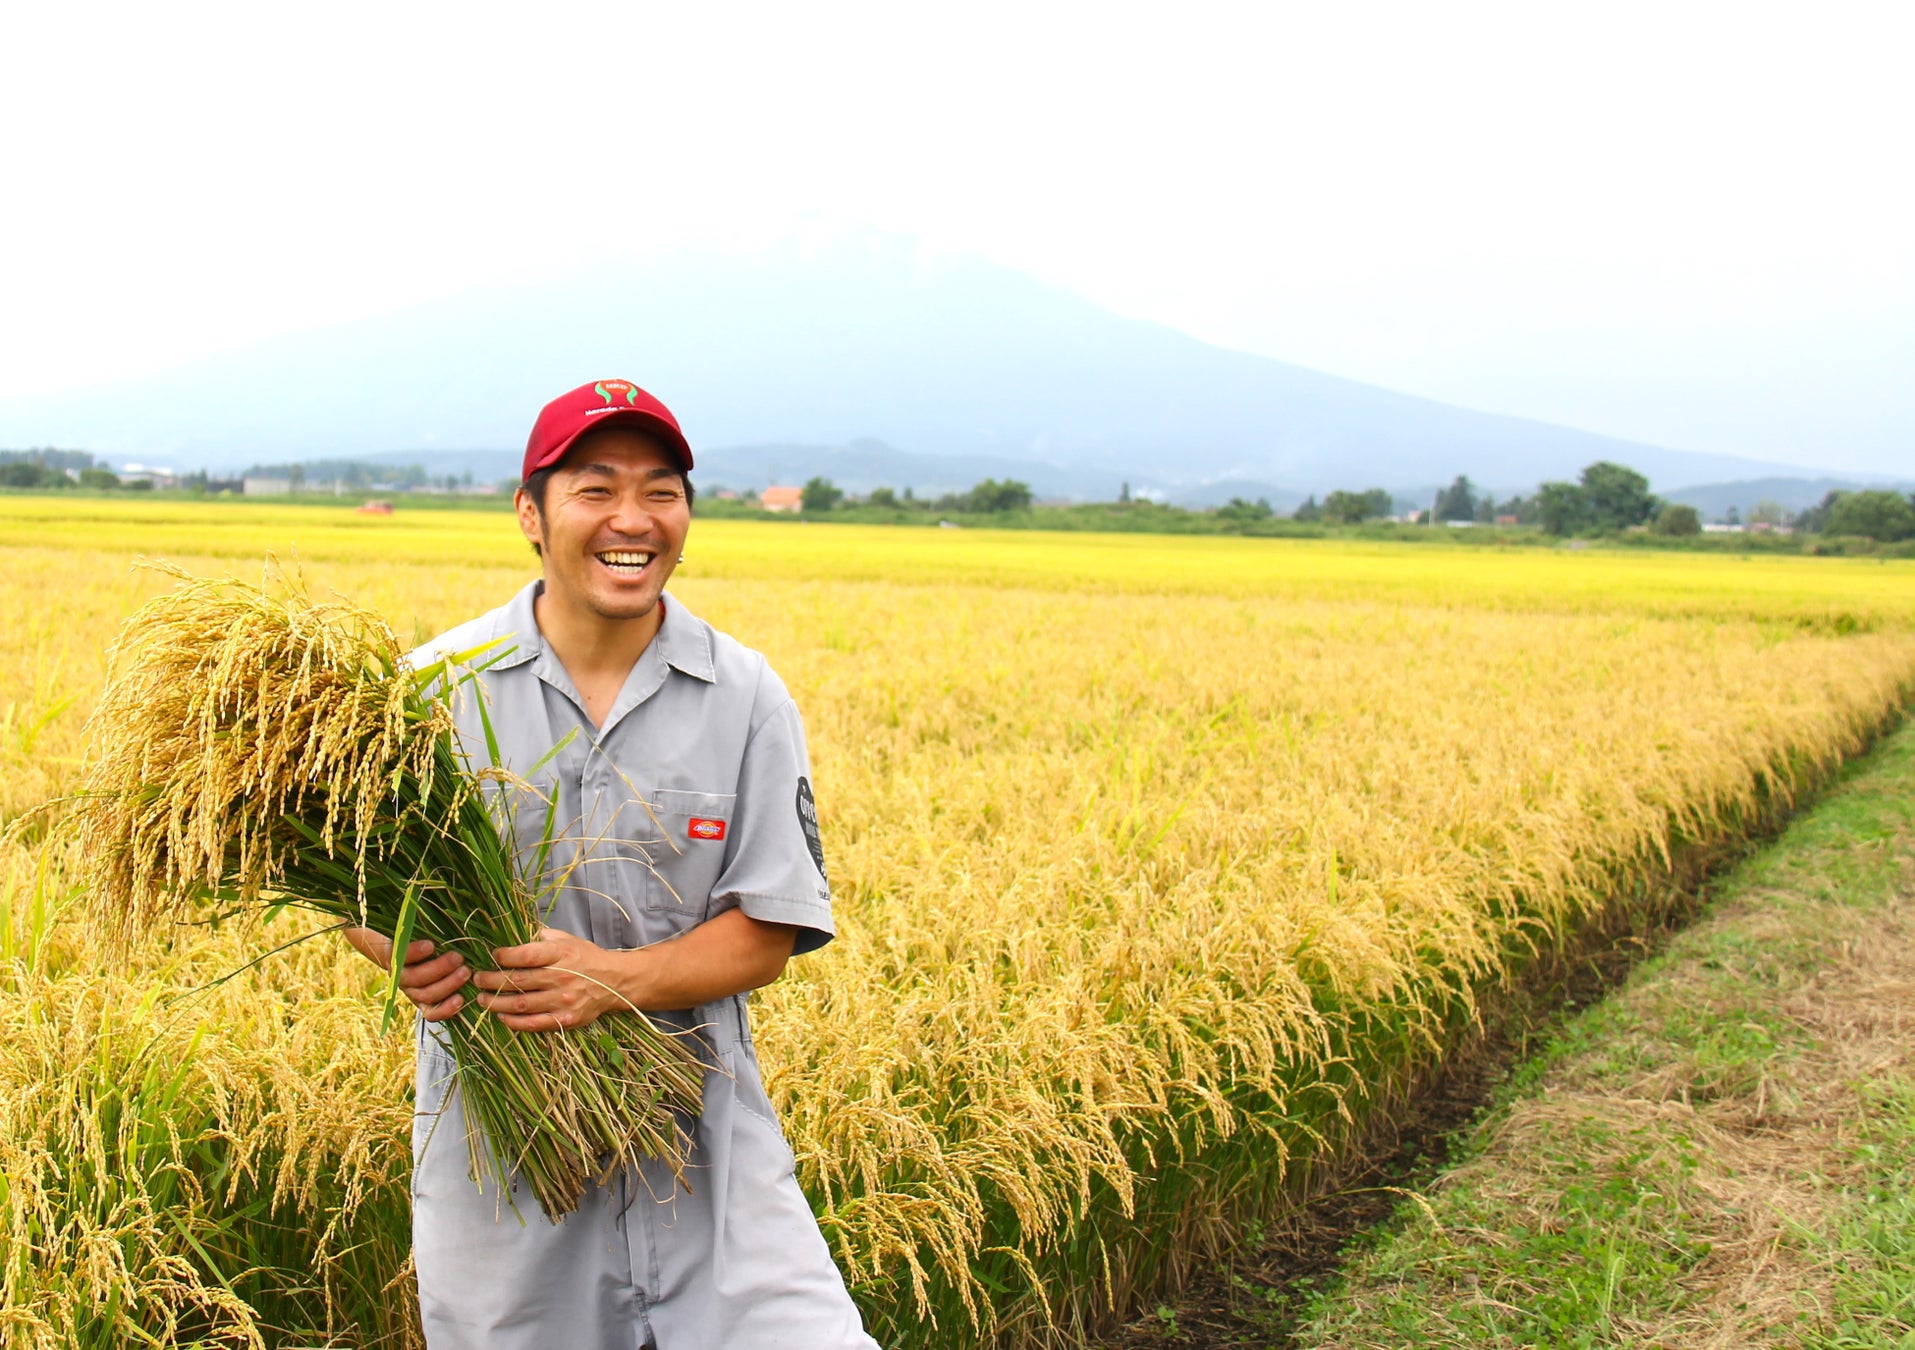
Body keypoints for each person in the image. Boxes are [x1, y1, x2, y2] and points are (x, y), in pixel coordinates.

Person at [343, 377, 879, 1349]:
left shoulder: (744, 695)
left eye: (660, 489)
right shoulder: (428, 695)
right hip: (502, 1161)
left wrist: (614, 983)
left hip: (705, 1156)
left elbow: (769, 927)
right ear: (529, 513)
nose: (632, 518)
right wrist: (398, 949)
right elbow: (361, 892)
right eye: (595, 488)